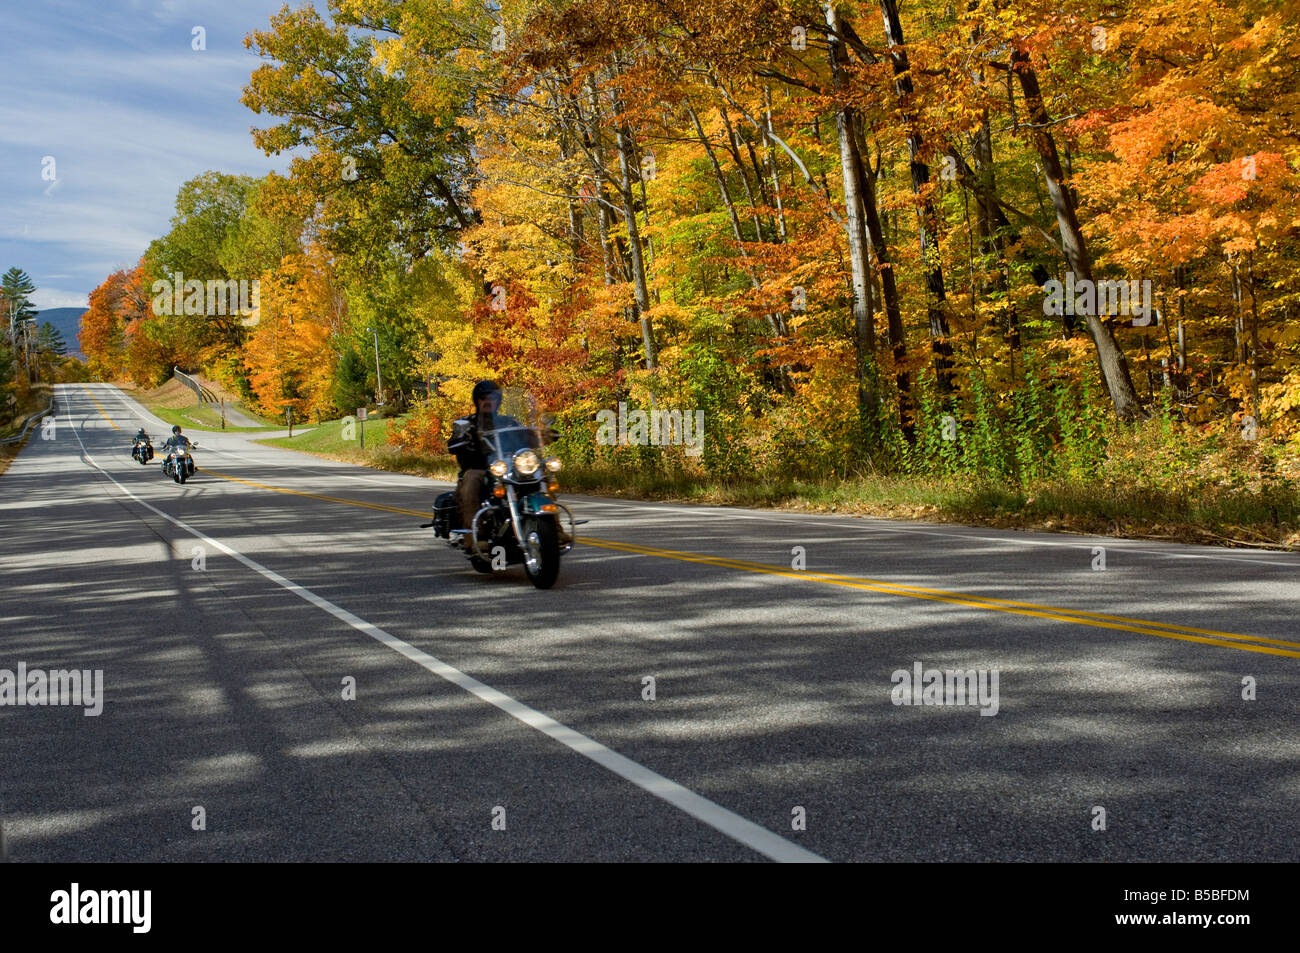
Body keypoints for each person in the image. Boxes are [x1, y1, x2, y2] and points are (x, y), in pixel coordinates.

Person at [447, 381, 524, 537]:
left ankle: (554, 531)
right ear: (477, 400)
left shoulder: (508, 422)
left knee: (539, 476)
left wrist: (541, 434)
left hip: (508, 469)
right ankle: (474, 537)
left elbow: (525, 435)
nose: (488, 401)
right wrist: (460, 440)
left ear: (499, 401)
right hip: (479, 469)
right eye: (483, 397)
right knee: (472, 480)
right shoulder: (468, 423)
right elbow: (452, 444)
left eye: (493, 397)